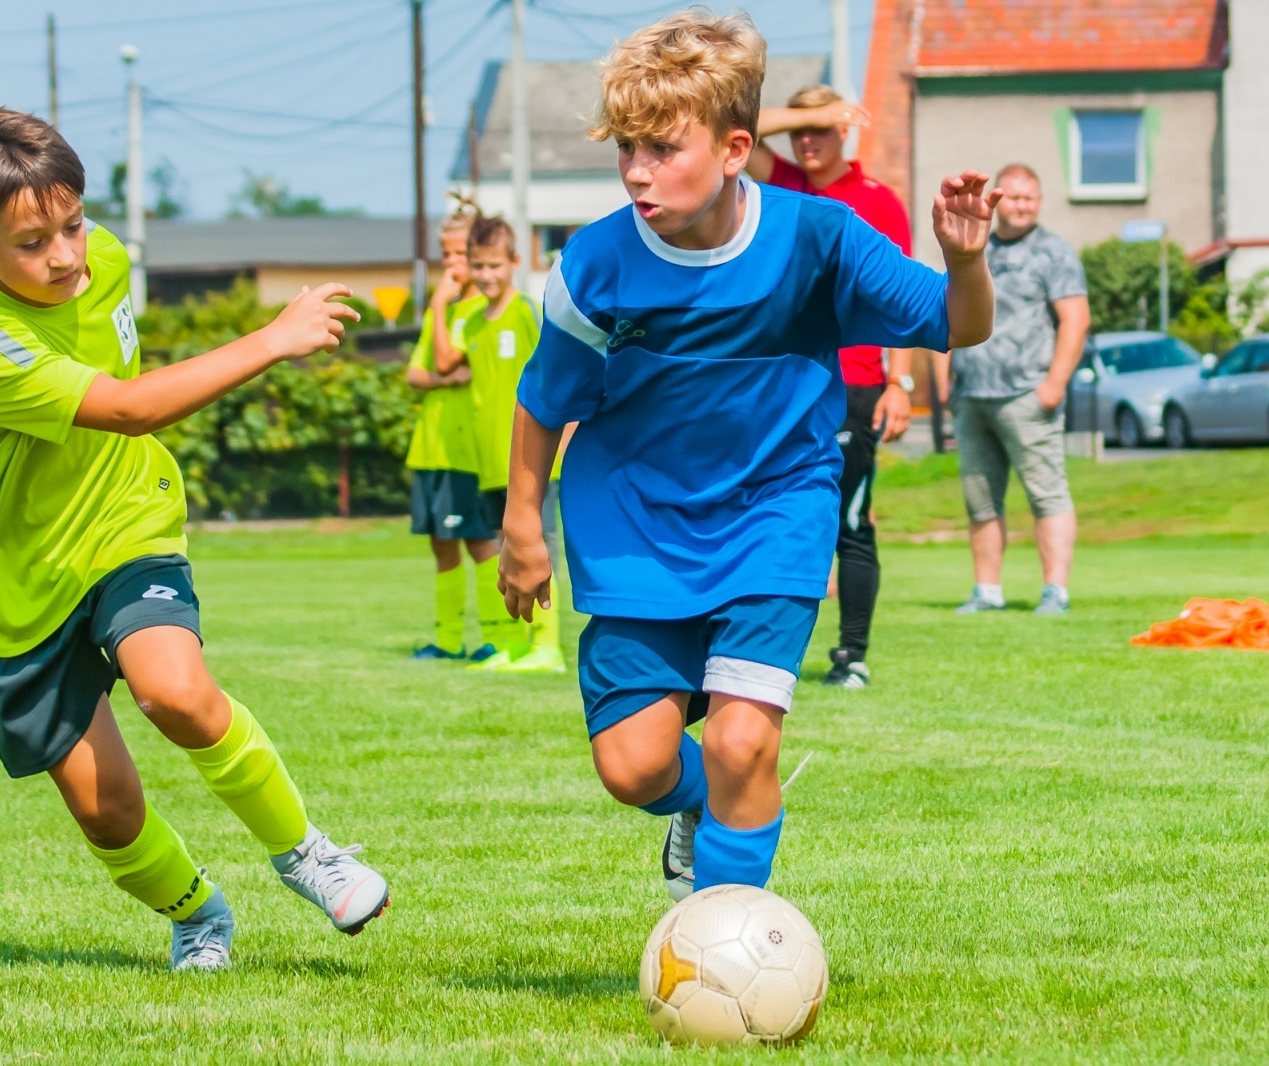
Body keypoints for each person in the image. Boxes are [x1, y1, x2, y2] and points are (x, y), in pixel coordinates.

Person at [498, 11, 997, 898]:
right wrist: (522, 528)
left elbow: (958, 324)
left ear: (735, 151)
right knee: (632, 767)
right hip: (635, 523)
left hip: (775, 511)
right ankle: (703, 807)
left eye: (663, 149)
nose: (638, 171)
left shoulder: (820, 238)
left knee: (740, 743)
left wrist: (964, 263)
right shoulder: (593, 266)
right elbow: (543, 401)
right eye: (628, 149)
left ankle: (726, 930)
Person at [0, 100, 389, 973]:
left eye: (72, 225)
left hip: (126, 524)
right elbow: (130, 407)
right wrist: (271, 339)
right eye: (33, 243)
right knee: (106, 811)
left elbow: (129, 402)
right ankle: (199, 916)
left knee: (174, 692)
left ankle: (308, 854)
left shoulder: (101, 256)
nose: (66, 256)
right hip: (16, 590)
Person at [748, 85, 914, 690]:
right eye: (800, 130)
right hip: (781, 385)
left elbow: (902, 297)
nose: (807, 141)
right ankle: (756, 656)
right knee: (768, 518)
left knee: (848, 521)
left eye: (821, 129)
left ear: (845, 132)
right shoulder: (782, 183)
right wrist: (814, 112)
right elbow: (734, 124)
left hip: (856, 386)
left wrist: (900, 381)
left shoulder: (876, 201)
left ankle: (852, 656)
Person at [932, 163, 1089, 616]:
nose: (1022, 206)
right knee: (980, 502)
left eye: (1029, 198)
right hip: (973, 395)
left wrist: (1054, 384)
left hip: (1027, 395)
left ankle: (1055, 591)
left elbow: (1075, 319)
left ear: (1039, 202)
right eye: (1015, 197)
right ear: (999, 199)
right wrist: (944, 384)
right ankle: (987, 591)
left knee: (1046, 494)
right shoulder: (975, 245)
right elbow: (945, 308)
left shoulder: (1053, 252)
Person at [435, 215, 566, 675]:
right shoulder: (471, 323)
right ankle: (513, 644)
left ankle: (547, 647)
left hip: (533, 461)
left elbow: (559, 374)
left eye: (494, 265)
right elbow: (443, 363)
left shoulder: (527, 311)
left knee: (538, 545)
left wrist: (565, 439)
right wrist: (439, 305)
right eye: (478, 265)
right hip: (490, 462)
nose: (486, 275)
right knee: (503, 551)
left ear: (514, 262)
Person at [405, 203, 504, 662]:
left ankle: (496, 637)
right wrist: (442, 378)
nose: (451, 264)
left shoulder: (480, 310)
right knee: (441, 545)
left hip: (466, 450)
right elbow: (416, 374)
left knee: (480, 542)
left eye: (459, 254)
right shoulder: (441, 312)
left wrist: (438, 306)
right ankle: (447, 640)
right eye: (445, 255)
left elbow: (443, 361)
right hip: (431, 448)